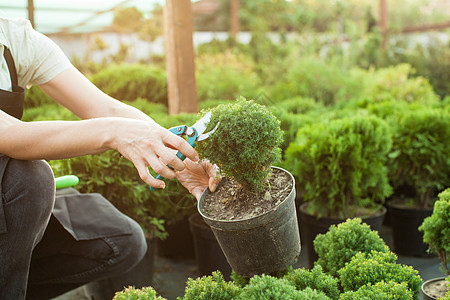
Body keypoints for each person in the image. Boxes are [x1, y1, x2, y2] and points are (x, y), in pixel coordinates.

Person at [0, 16, 220, 300]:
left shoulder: (14, 37)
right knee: (29, 179)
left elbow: (104, 107)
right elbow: (9, 134)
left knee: (121, 241)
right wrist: (114, 133)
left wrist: (182, 158)